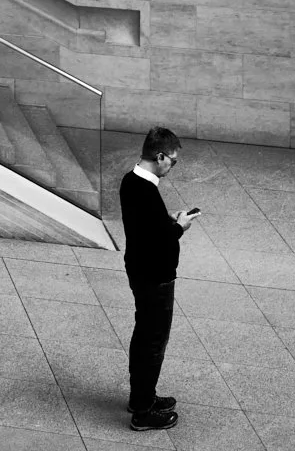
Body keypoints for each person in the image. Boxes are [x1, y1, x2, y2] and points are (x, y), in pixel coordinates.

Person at [118, 127, 200, 431]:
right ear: (160, 155)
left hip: (140, 270)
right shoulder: (145, 190)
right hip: (154, 277)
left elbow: (146, 228)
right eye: (173, 162)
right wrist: (180, 227)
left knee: (145, 337)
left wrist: (168, 221)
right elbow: (159, 240)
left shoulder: (132, 181)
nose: (172, 167)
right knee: (152, 342)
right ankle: (142, 410)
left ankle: (143, 396)